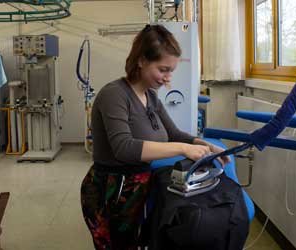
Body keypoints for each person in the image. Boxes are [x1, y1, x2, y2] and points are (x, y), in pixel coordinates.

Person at [80, 24, 230, 250]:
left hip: (138, 186)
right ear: (141, 61)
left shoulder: (150, 96)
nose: (167, 78)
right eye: (163, 69)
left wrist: (206, 146)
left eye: (171, 71)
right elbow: (124, 148)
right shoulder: (115, 95)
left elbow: (174, 134)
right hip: (110, 191)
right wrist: (183, 149)